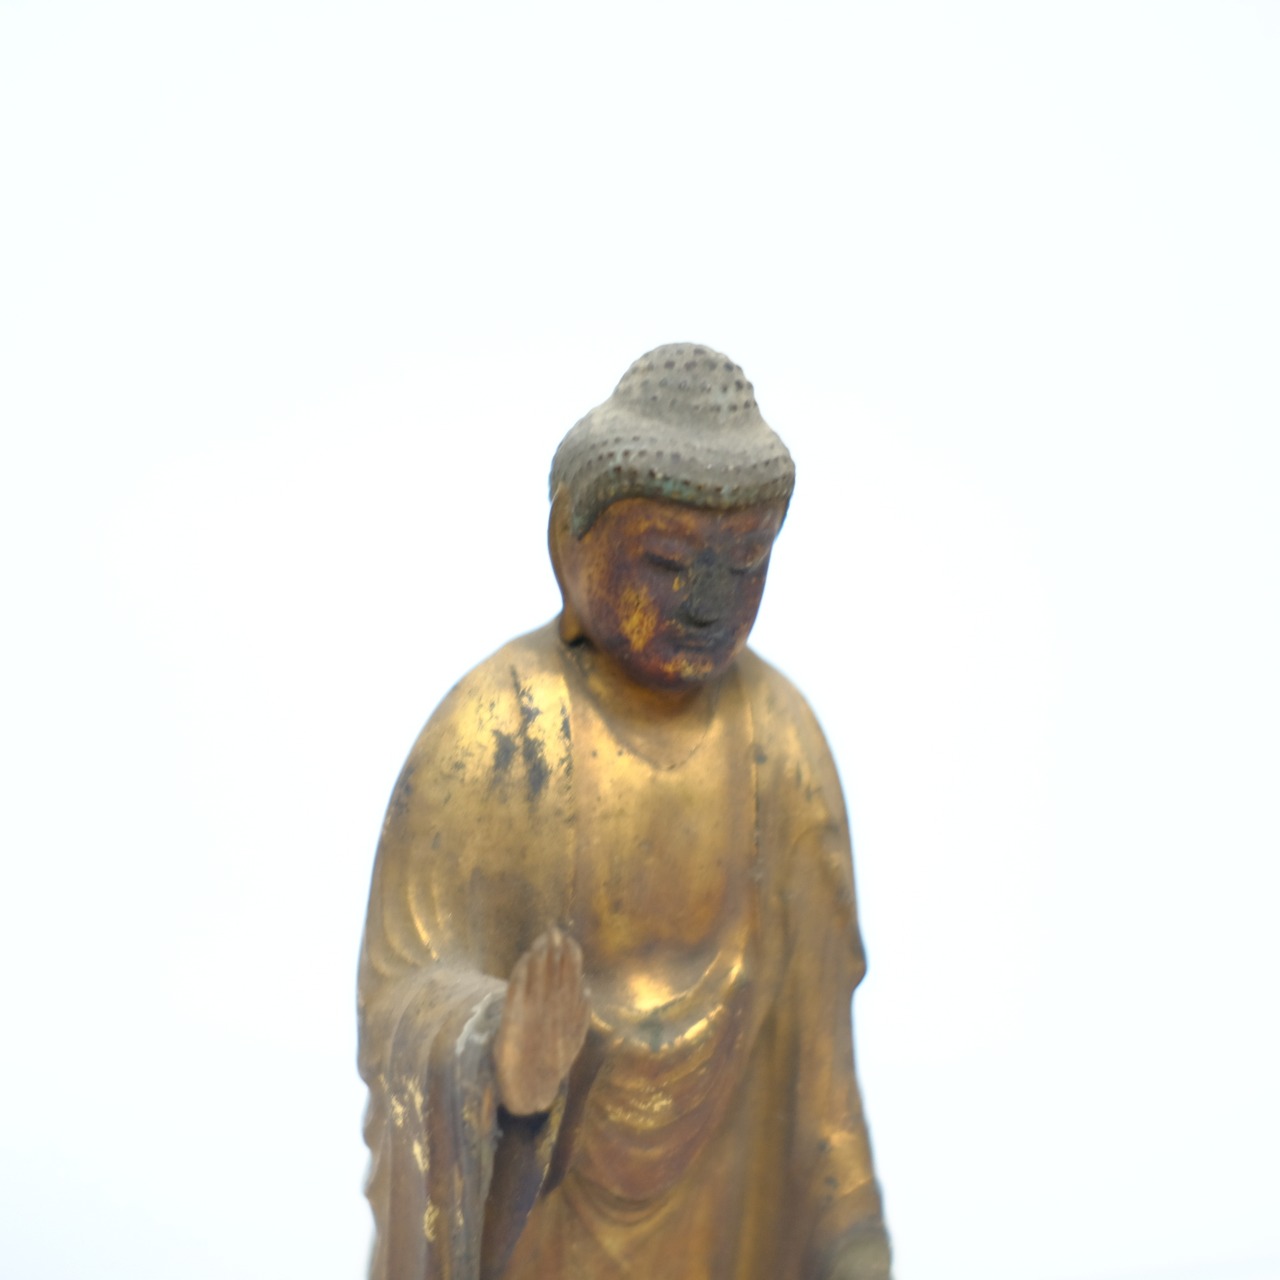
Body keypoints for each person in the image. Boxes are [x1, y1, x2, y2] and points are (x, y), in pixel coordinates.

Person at [357, 344, 893, 1280]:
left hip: (728, 1234)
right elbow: (400, 991)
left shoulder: (782, 743)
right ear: (569, 541)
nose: (710, 603)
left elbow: (820, 1068)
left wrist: (854, 1238)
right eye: (668, 561)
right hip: (543, 1224)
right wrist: (499, 1056)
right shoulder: (498, 730)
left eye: (748, 564)